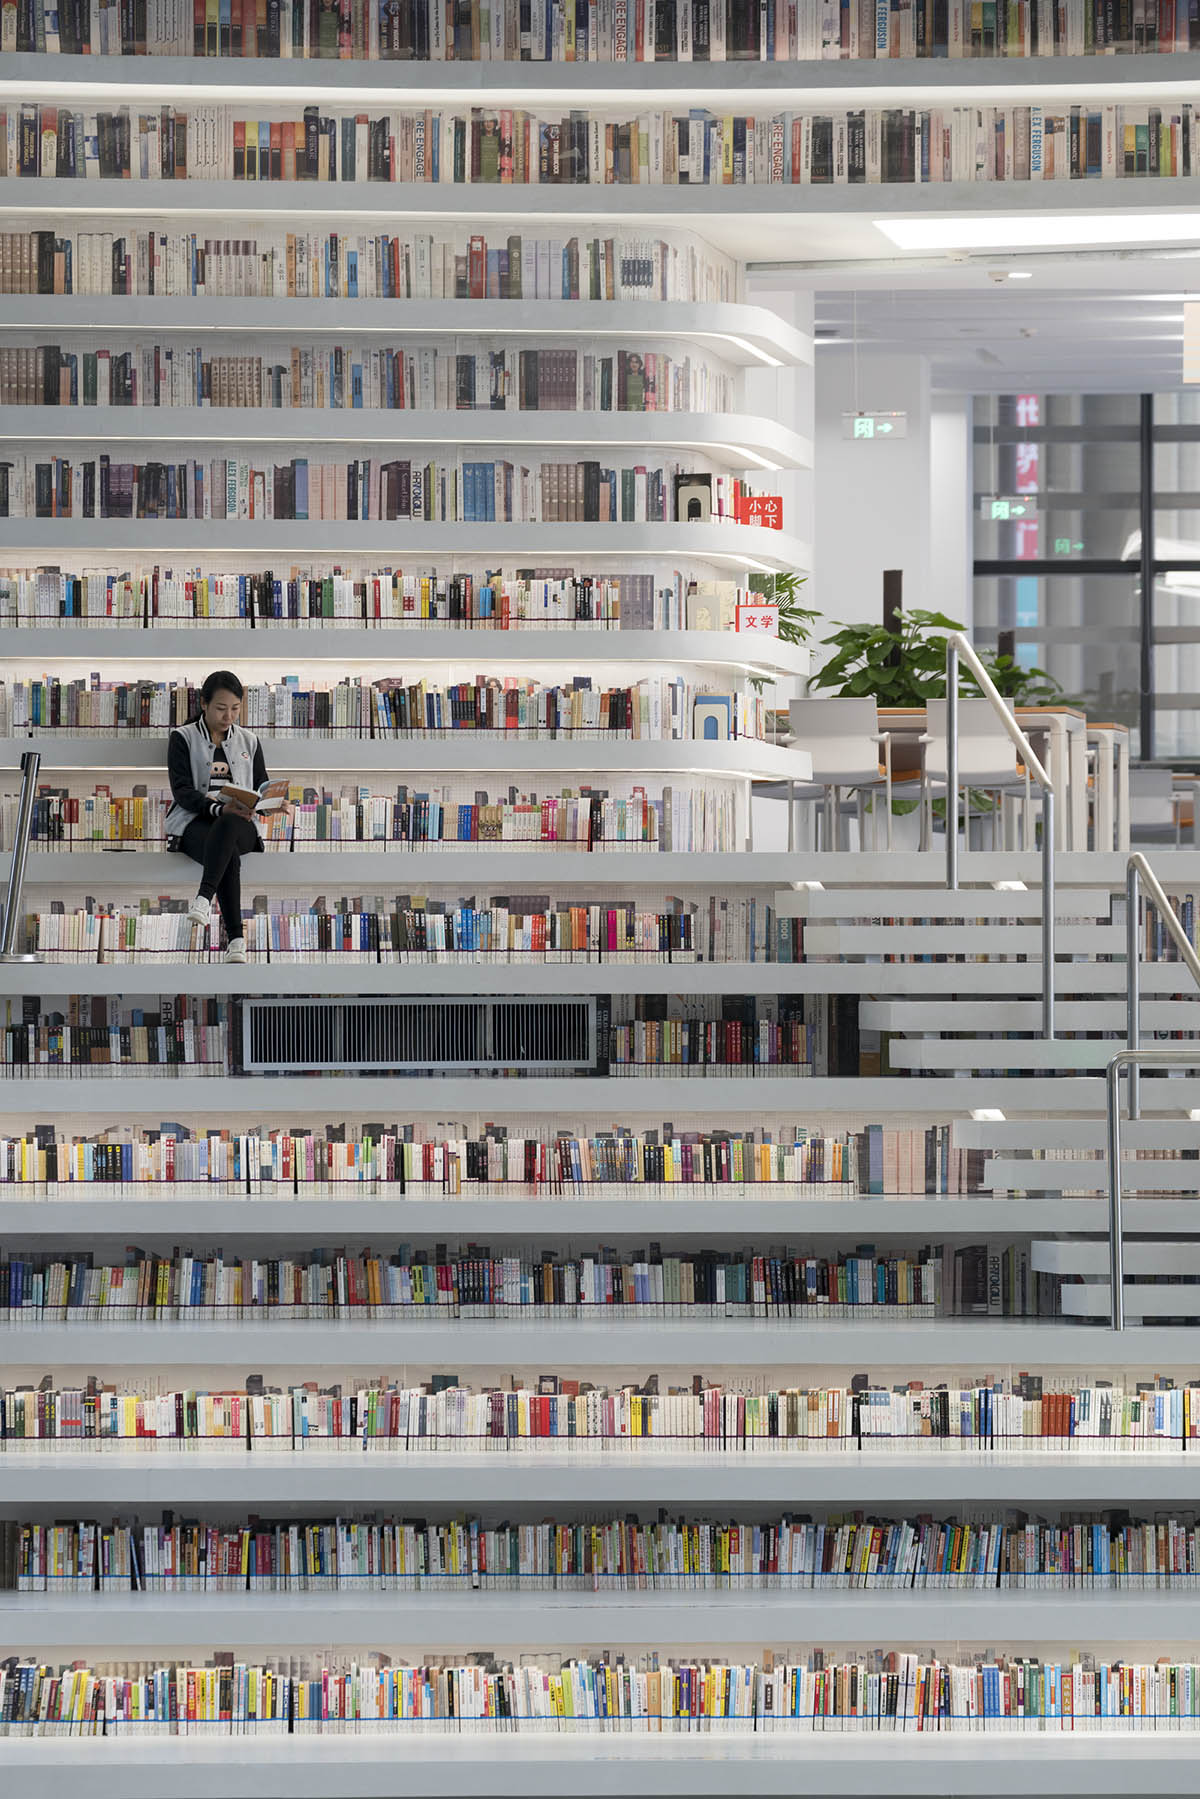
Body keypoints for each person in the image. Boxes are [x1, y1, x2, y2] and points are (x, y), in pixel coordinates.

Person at [165, 670, 285, 964]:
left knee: (229, 825)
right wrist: (217, 808)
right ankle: (236, 941)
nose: (228, 716)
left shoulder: (249, 741)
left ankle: (204, 899)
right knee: (226, 850)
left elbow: (260, 786)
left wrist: (272, 804)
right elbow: (182, 791)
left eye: (235, 708)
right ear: (204, 704)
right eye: (221, 708)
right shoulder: (182, 738)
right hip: (195, 823)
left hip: (239, 823)